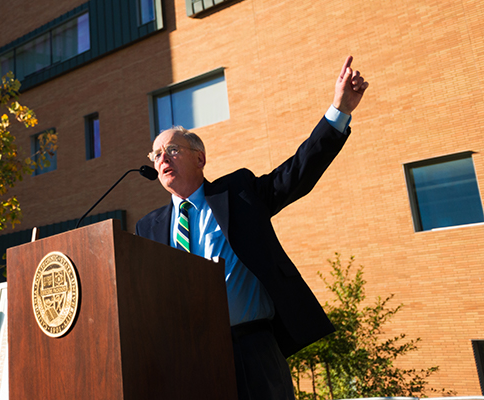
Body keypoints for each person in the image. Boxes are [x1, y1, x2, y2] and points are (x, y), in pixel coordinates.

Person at [135, 56, 368, 399]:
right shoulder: (148, 227)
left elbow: (297, 174)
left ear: (200, 158)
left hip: (252, 349)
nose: (162, 159)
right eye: (156, 155)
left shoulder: (238, 193)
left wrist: (338, 111)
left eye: (172, 149)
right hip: (188, 357)